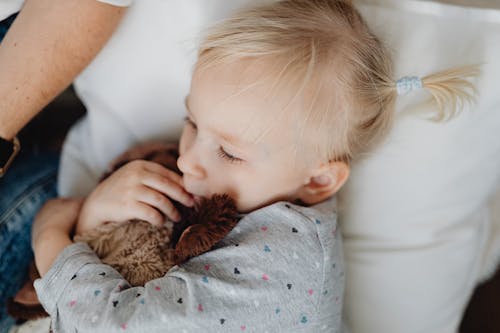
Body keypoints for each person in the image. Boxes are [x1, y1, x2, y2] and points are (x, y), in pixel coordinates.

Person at [29, 0, 477, 332]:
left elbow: (112, 325)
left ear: (319, 179)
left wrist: (50, 237)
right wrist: (92, 213)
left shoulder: (282, 267)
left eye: (227, 152)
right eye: (191, 122)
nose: (188, 158)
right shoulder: (224, 187)